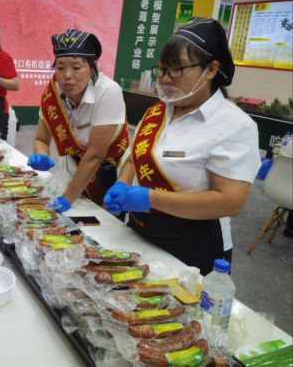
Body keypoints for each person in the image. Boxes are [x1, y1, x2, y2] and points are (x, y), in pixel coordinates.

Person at [103, 18, 261, 275]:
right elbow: (134, 157)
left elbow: (230, 202)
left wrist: (149, 198)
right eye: (162, 69)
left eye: (176, 69)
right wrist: (122, 183)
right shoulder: (157, 112)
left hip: (194, 242)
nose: (164, 79)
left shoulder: (235, 125)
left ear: (211, 69)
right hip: (141, 229)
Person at [27, 29, 129, 213]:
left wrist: (67, 199)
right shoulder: (54, 92)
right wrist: (41, 154)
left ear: (92, 68)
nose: (67, 75)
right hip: (72, 172)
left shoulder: (108, 91)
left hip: (107, 172)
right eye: (60, 68)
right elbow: (41, 139)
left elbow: (95, 156)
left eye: (76, 67)